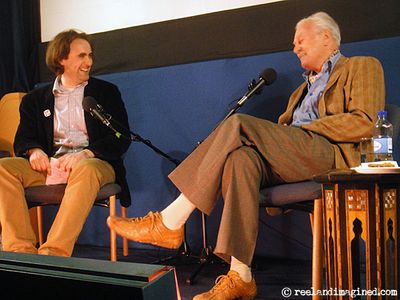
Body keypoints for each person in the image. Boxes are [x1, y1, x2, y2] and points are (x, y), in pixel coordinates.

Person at [107, 11, 385, 299]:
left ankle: (170, 220)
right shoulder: (299, 93)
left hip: (331, 156)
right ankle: (240, 275)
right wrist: (285, 135)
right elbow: (282, 138)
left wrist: (305, 129)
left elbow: (365, 120)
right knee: (240, 160)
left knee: (238, 124)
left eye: (300, 40)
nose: (295, 48)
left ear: (326, 37)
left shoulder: (361, 66)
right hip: (294, 156)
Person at [0, 29, 131, 257]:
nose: (88, 62)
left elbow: (121, 138)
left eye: (90, 55)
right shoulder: (35, 100)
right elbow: (25, 137)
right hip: (53, 165)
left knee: (86, 169)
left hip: (94, 163)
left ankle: (54, 253)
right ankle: (20, 252)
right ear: (61, 59)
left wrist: (86, 154)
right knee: (3, 169)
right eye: (81, 56)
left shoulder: (106, 93)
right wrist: (34, 151)